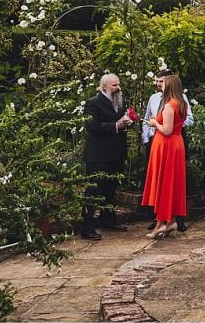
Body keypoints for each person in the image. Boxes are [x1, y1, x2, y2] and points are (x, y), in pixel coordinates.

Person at [81, 73, 135, 240]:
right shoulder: (93, 103)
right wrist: (116, 125)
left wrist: (127, 123)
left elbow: (120, 123)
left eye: (118, 84)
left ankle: (108, 220)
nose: (118, 88)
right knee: (93, 190)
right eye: (114, 85)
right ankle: (87, 227)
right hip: (98, 155)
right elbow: (92, 126)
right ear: (104, 86)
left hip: (116, 153)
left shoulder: (119, 102)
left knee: (110, 188)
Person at [141, 68, 193, 232]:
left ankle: (166, 221)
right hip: (169, 142)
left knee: (166, 181)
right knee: (167, 180)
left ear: (169, 84)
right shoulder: (164, 100)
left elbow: (168, 129)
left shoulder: (173, 104)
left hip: (168, 142)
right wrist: (147, 137)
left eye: (162, 82)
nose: (158, 84)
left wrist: (156, 124)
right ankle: (165, 220)